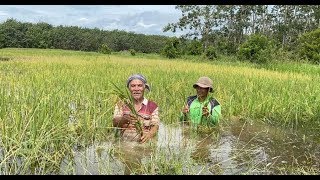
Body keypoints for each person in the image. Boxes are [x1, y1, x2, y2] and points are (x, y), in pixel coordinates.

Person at [113, 73, 160, 143]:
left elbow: (155, 126)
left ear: (144, 87)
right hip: (125, 143)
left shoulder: (152, 106)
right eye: (133, 86)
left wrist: (149, 134)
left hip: (144, 144)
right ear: (129, 88)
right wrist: (124, 119)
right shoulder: (121, 104)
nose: (136, 89)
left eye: (140, 86)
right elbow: (115, 122)